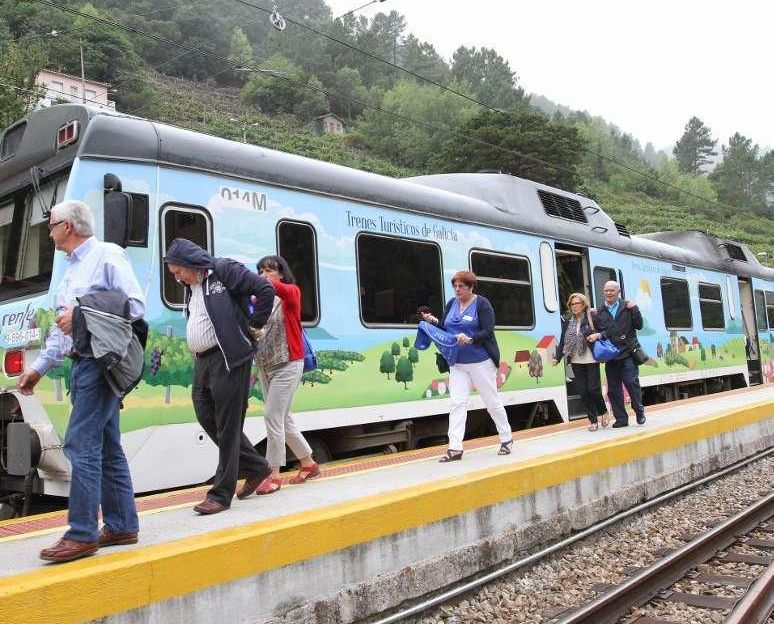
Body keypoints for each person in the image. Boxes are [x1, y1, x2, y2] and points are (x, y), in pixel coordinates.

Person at [17, 200, 145, 563]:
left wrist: (83, 312)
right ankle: (121, 524)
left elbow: (134, 305)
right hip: (83, 363)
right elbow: (63, 328)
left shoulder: (107, 255)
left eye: (51, 223)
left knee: (79, 444)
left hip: (100, 364)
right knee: (106, 445)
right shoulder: (69, 270)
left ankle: (82, 533)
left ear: (68, 226)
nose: (49, 230)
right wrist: (39, 368)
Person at [164, 238, 275, 515]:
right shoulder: (192, 287)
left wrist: (255, 325)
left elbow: (263, 289)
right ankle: (258, 467)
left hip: (229, 358)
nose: (177, 278)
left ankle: (221, 494)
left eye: (179, 272)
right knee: (205, 413)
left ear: (191, 263)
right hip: (204, 361)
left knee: (228, 425)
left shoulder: (223, 271)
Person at [420, 270, 513, 462]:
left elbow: (488, 331)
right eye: (455, 286)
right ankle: (455, 448)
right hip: (458, 363)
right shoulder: (451, 304)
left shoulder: (482, 304)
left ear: (471, 287)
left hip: (481, 362)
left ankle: (507, 438)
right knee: (457, 404)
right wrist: (433, 321)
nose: (457, 289)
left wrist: (470, 339)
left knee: (491, 402)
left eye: (461, 286)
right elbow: (447, 329)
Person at [249, 255, 320, 495]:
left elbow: (280, 290)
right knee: (284, 418)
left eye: (269, 271)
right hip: (266, 365)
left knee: (273, 416)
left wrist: (258, 283)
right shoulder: (258, 300)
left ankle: (274, 475)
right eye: (260, 271)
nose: (263, 275)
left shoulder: (291, 292)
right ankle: (308, 463)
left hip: (289, 364)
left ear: (281, 274)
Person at [587, 281, 645, 428]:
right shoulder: (599, 312)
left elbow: (639, 325)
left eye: (612, 290)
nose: (608, 293)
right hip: (611, 355)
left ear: (618, 291)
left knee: (632, 383)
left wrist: (635, 309)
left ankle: (639, 410)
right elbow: (598, 331)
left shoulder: (627, 307)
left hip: (627, 353)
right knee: (613, 390)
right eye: (606, 290)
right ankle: (621, 419)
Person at [552, 293, 609, 431]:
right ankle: (593, 420)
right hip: (576, 361)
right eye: (572, 304)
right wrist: (557, 357)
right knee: (583, 392)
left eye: (577, 303)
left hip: (591, 359)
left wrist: (597, 335)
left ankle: (604, 412)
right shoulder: (568, 321)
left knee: (593, 390)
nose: (574, 306)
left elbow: (607, 331)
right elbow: (563, 340)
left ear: (583, 305)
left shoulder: (592, 316)